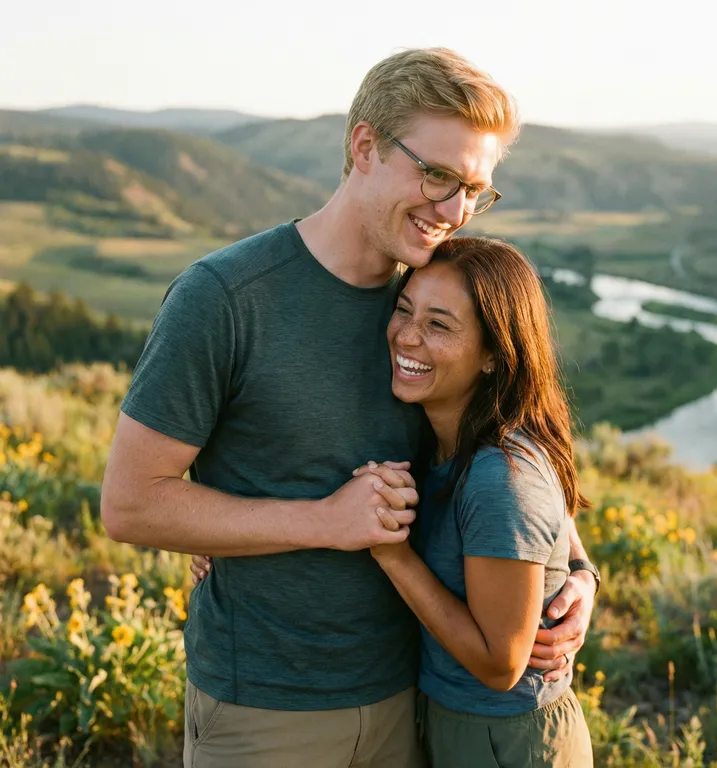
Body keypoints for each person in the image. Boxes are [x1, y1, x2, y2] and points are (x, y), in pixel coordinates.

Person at [101, 47, 599, 768]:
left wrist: (577, 574)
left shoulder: (435, 307)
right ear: (364, 145)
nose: (453, 210)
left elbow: (509, 453)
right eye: (436, 174)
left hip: (414, 702)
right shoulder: (225, 299)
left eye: (474, 190)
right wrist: (322, 520)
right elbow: (130, 505)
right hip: (266, 708)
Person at [194, 236, 595, 766]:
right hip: (447, 718)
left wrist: (389, 550)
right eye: (403, 310)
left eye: (439, 325)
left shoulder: (500, 474)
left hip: (505, 738)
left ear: (495, 356)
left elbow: (503, 666)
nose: (407, 336)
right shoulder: (445, 432)